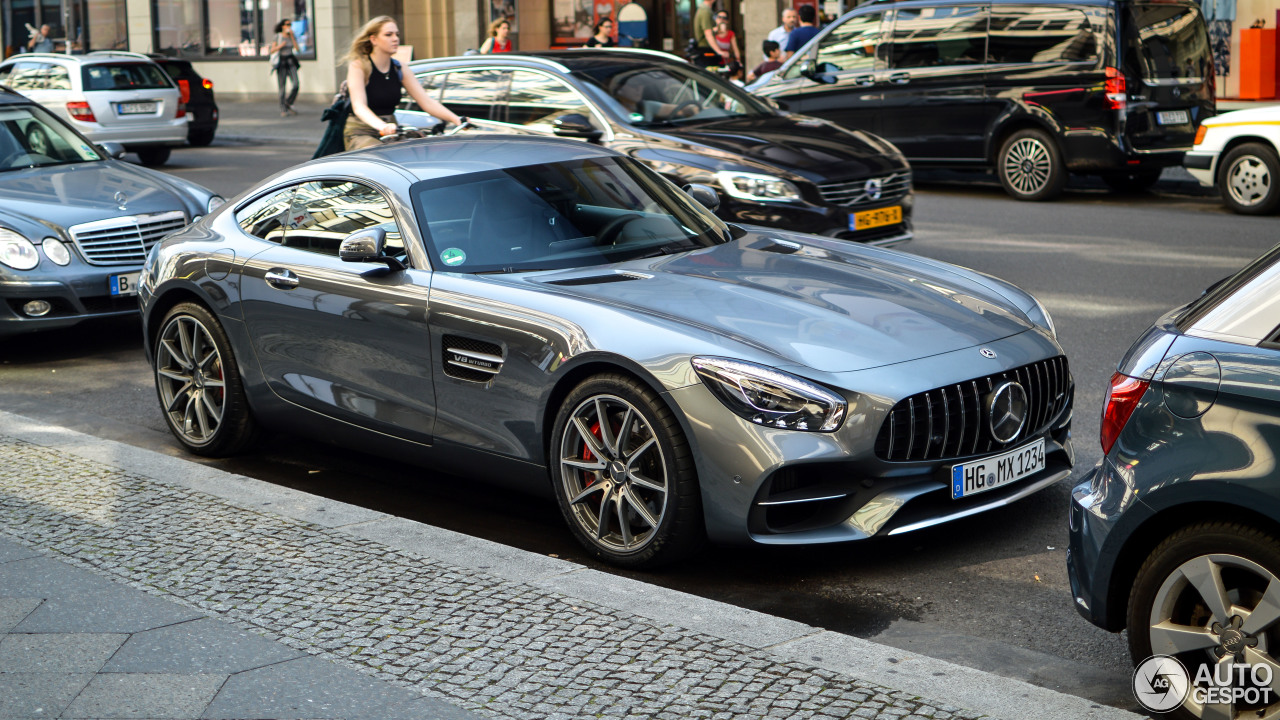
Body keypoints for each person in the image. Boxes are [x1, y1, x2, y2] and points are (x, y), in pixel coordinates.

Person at [342, 16, 465, 152]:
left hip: (391, 129)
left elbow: (426, 102)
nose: (395, 39)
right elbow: (359, 106)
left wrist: (456, 119)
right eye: (388, 35)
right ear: (374, 39)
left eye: (397, 34)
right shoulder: (359, 66)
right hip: (362, 130)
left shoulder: (399, 68)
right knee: (377, 157)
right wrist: (382, 126)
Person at [270, 19, 300, 117]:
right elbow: (272, 50)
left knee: (296, 84)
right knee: (282, 87)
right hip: (281, 62)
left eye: (290, 24)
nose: (289, 26)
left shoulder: (292, 36)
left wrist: (291, 36)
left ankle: (288, 102)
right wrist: (281, 46)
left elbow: (297, 49)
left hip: (290, 61)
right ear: (282, 26)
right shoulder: (278, 36)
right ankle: (283, 108)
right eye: (287, 24)